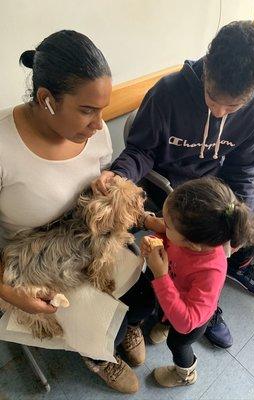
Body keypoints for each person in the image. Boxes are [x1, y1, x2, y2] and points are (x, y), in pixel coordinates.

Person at [97, 21, 254, 348]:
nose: (219, 111)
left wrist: (240, 221)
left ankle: (227, 275)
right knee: (202, 244)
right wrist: (121, 173)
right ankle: (193, 301)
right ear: (207, 69)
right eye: (213, 97)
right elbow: (141, 150)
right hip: (169, 186)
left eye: (233, 106)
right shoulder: (168, 93)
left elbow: (243, 171)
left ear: (251, 94)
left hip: (217, 190)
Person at [0, 30, 154, 394]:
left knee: (144, 288)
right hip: (33, 260)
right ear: (46, 99)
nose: (99, 124)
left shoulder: (93, 134)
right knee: (83, 316)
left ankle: (124, 329)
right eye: (86, 110)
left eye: (102, 109)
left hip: (87, 237)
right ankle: (99, 356)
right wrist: (6, 290)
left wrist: (107, 185)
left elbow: (99, 178)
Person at [140, 177, 254, 387]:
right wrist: (153, 226)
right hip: (172, 296)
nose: (163, 224)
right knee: (164, 314)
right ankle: (164, 323)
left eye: (168, 224)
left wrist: (160, 275)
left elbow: (186, 321)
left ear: (193, 244)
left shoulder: (211, 271)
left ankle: (185, 375)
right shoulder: (192, 237)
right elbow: (169, 237)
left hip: (189, 321)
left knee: (177, 344)